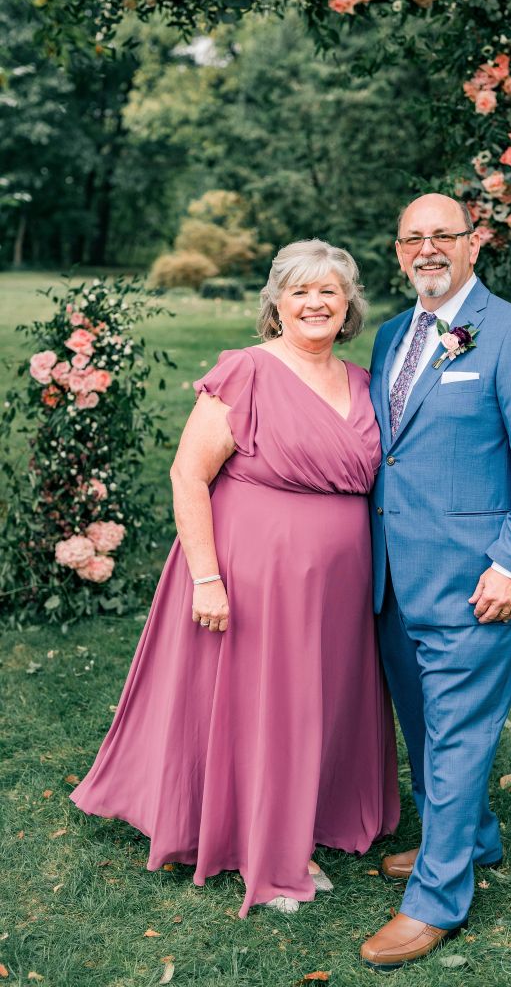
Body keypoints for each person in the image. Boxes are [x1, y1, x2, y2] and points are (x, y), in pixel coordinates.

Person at [71, 239, 399, 918]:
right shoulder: (247, 371)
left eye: (329, 291)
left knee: (319, 700)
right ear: (276, 304)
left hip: (339, 581)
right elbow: (188, 474)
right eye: (300, 291)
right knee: (269, 704)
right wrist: (206, 578)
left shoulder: (365, 383)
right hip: (254, 573)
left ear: (349, 306)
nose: (315, 303)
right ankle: (264, 845)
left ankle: (309, 814)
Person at [360, 193, 511, 970]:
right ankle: (471, 838)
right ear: (397, 251)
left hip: (478, 583)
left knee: (454, 737)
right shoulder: (392, 335)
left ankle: (436, 896)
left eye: (442, 235)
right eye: (411, 237)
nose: (427, 248)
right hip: (394, 579)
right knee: (424, 729)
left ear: (472, 244)